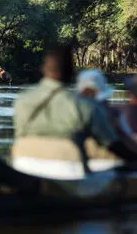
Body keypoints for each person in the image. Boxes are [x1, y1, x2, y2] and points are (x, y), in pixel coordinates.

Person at [12, 46, 137, 178]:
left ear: (42, 69)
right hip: (70, 172)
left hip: (21, 166)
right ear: (72, 74)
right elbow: (112, 144)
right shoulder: (86, 106)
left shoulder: (21, 101)